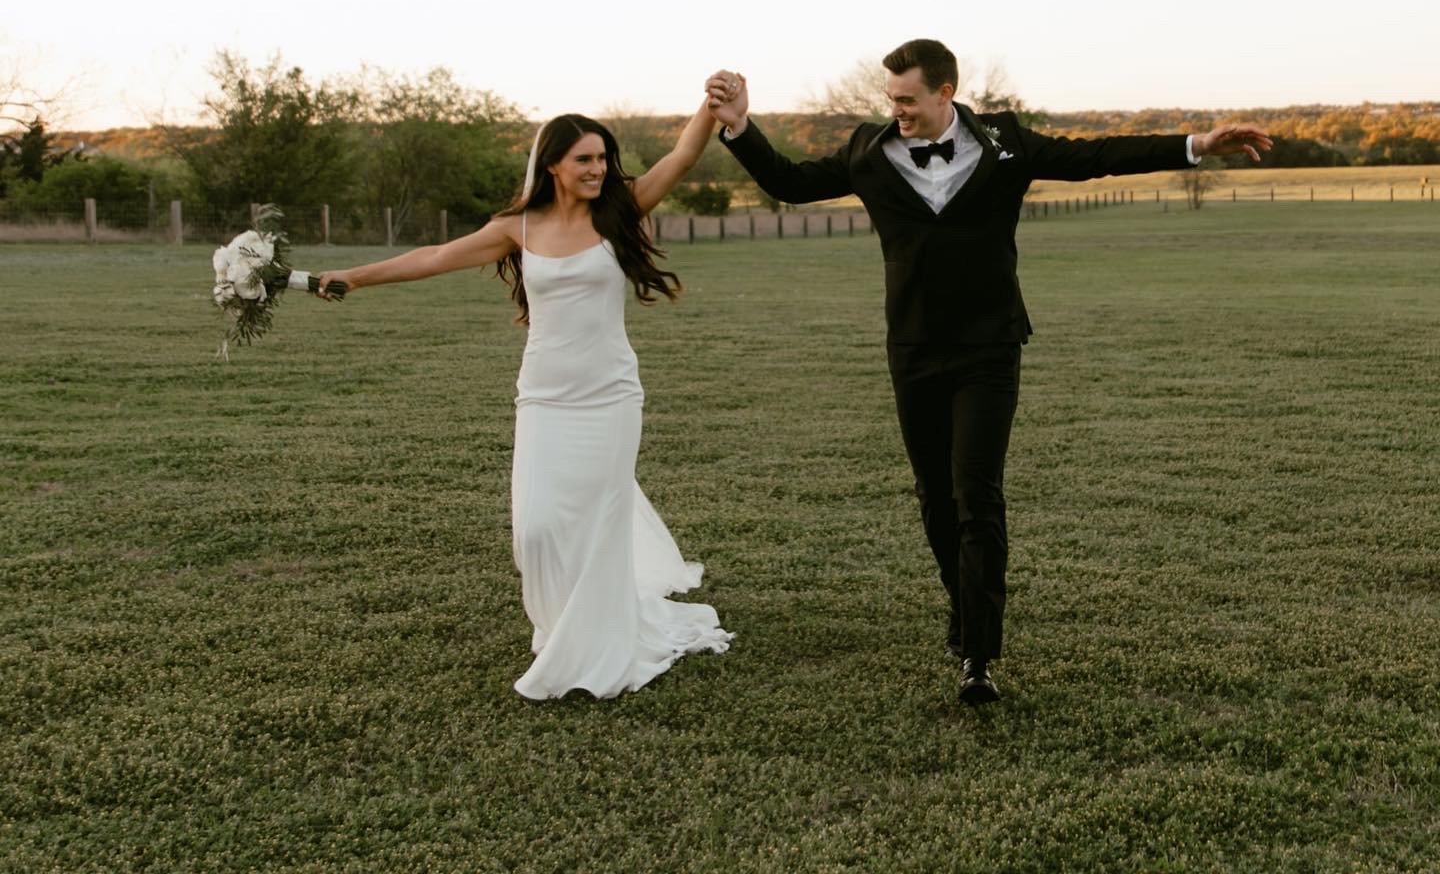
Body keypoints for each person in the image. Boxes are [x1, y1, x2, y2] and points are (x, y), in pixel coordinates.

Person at [706, 41, 1270, 706]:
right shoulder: (867, 150)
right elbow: (790, 182)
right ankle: (965, 603)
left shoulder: (1005, 144)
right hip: (913, 351)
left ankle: (978, 654)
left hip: (989, 349)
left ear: (946, 93)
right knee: (934, 497)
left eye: (908, 99)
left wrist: (1196, 144)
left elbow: (1095, 157)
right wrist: (740, 124)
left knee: (978, 493)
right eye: (891, 99)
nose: (897, 111)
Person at [316, 103, 731, 700]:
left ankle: (599, 641)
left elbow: (683, 156)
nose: (598, 169)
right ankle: (562, 625)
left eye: (603, 158)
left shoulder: (621, 209)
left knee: (599, 522)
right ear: (553, 165)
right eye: (584, 159)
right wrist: (356, 276)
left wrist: (709, 107)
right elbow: (434, 258)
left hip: (610, 395)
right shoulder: (519, 227)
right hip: (544, 396)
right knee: (537, 529)